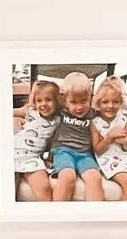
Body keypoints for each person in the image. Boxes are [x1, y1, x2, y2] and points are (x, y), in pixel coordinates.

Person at [49, 71, 104, 202]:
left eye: (84, 101)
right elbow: (34, 109)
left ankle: (95, 218)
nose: (79, 107)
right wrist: (16, 115)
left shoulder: (94, 113)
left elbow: (112, 114)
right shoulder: (61, 111)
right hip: (63, 152)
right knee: (67, 176)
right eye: (73, 102)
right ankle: (58, 215)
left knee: (95, 178)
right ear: (65, 101)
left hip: (85, 154)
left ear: (91, 97)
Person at [91, 75, 127, 202]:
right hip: (108, 159)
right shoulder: (95, 122)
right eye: (105, 102)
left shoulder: (123, 121)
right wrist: (109, 138)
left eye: (115, 101)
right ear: (98, 103)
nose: (110, 106)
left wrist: (125, 142)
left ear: (121, 103)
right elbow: (97, 150)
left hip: (126, 158)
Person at [14, 78, 61, 202]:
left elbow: (55, 142)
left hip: (32, 158)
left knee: (44, 187)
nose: (43, 104)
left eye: (48, 100)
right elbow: (7, 112)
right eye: (39, 100)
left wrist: (50, 157)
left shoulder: (58, 120)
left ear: (57, 101)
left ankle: (48, 218)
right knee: (7, 186)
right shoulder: (30, 110)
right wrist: (16, 119)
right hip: (12, 153)